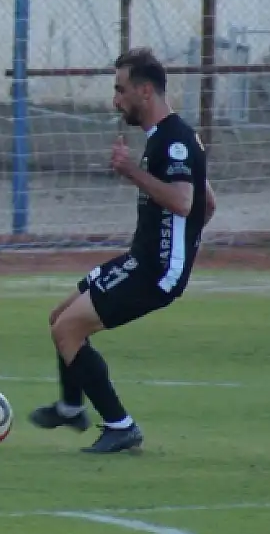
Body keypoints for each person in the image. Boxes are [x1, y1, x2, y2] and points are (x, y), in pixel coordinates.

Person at [29, 48, 217, 454]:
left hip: (156, 271)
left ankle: (120, 425)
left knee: (68, 330)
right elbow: (208, 203)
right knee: (60, 316)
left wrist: (132, 172)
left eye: (120, 90)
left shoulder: (175, 143)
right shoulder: (167, 137)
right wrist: (182, 240)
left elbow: (185, 202)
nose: (115, 100)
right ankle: (70, 407)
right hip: (144, 259)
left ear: (144, 91)